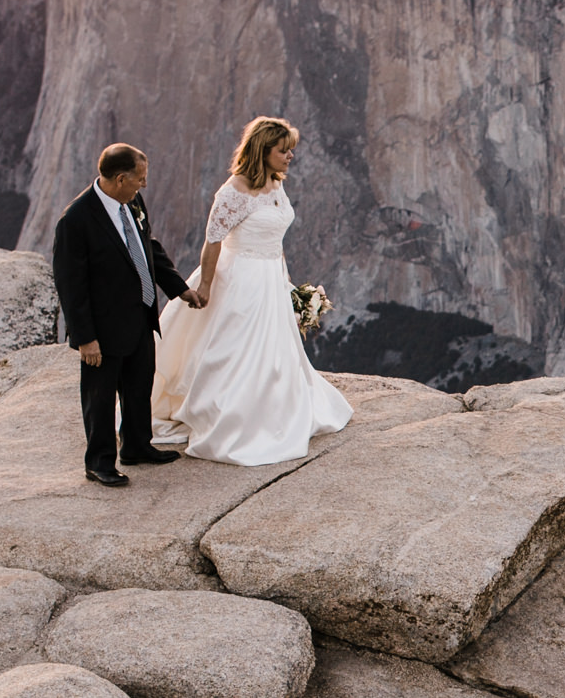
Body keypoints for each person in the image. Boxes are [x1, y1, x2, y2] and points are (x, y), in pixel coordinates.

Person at [151, 115, 352, 465]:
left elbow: (276, 238)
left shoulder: (276, 183)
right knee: (234, 348)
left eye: (290, 150)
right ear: (263, 149)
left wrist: (288, 283)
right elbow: (212, 242)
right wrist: (208, 286)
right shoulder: (233, 192)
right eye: (283, 150)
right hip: (239, 278)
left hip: (271, 275)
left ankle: (272, 407)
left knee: (274, 349)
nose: (290, 157)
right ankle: (229, 414)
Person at [52, 142, 203, 487]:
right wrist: (85, 338)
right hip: (102, 329)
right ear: (120, 178)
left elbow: (149, 247)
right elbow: (70, 285)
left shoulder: (131, 202)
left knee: (139, 386)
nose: (144, 185)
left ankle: (137, 446)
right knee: (100, 397)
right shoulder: (76, 220)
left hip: (139, 316)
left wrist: (179, 289)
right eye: (140, 179)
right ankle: (100, 462)